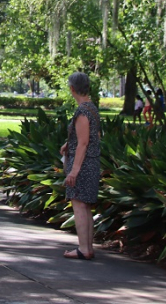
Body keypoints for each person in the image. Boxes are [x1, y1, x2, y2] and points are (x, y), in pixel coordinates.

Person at [59, 72, 101, 260]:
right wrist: (70, 143)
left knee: (79, 205)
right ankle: (87, 247)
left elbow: (84, 143)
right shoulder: (91, 108)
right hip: (92, 162)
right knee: (85, 206)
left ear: (72, 89)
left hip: (83, 165)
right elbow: (94, 136)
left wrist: (74, 171)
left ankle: (84, 248)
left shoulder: (82, 111)